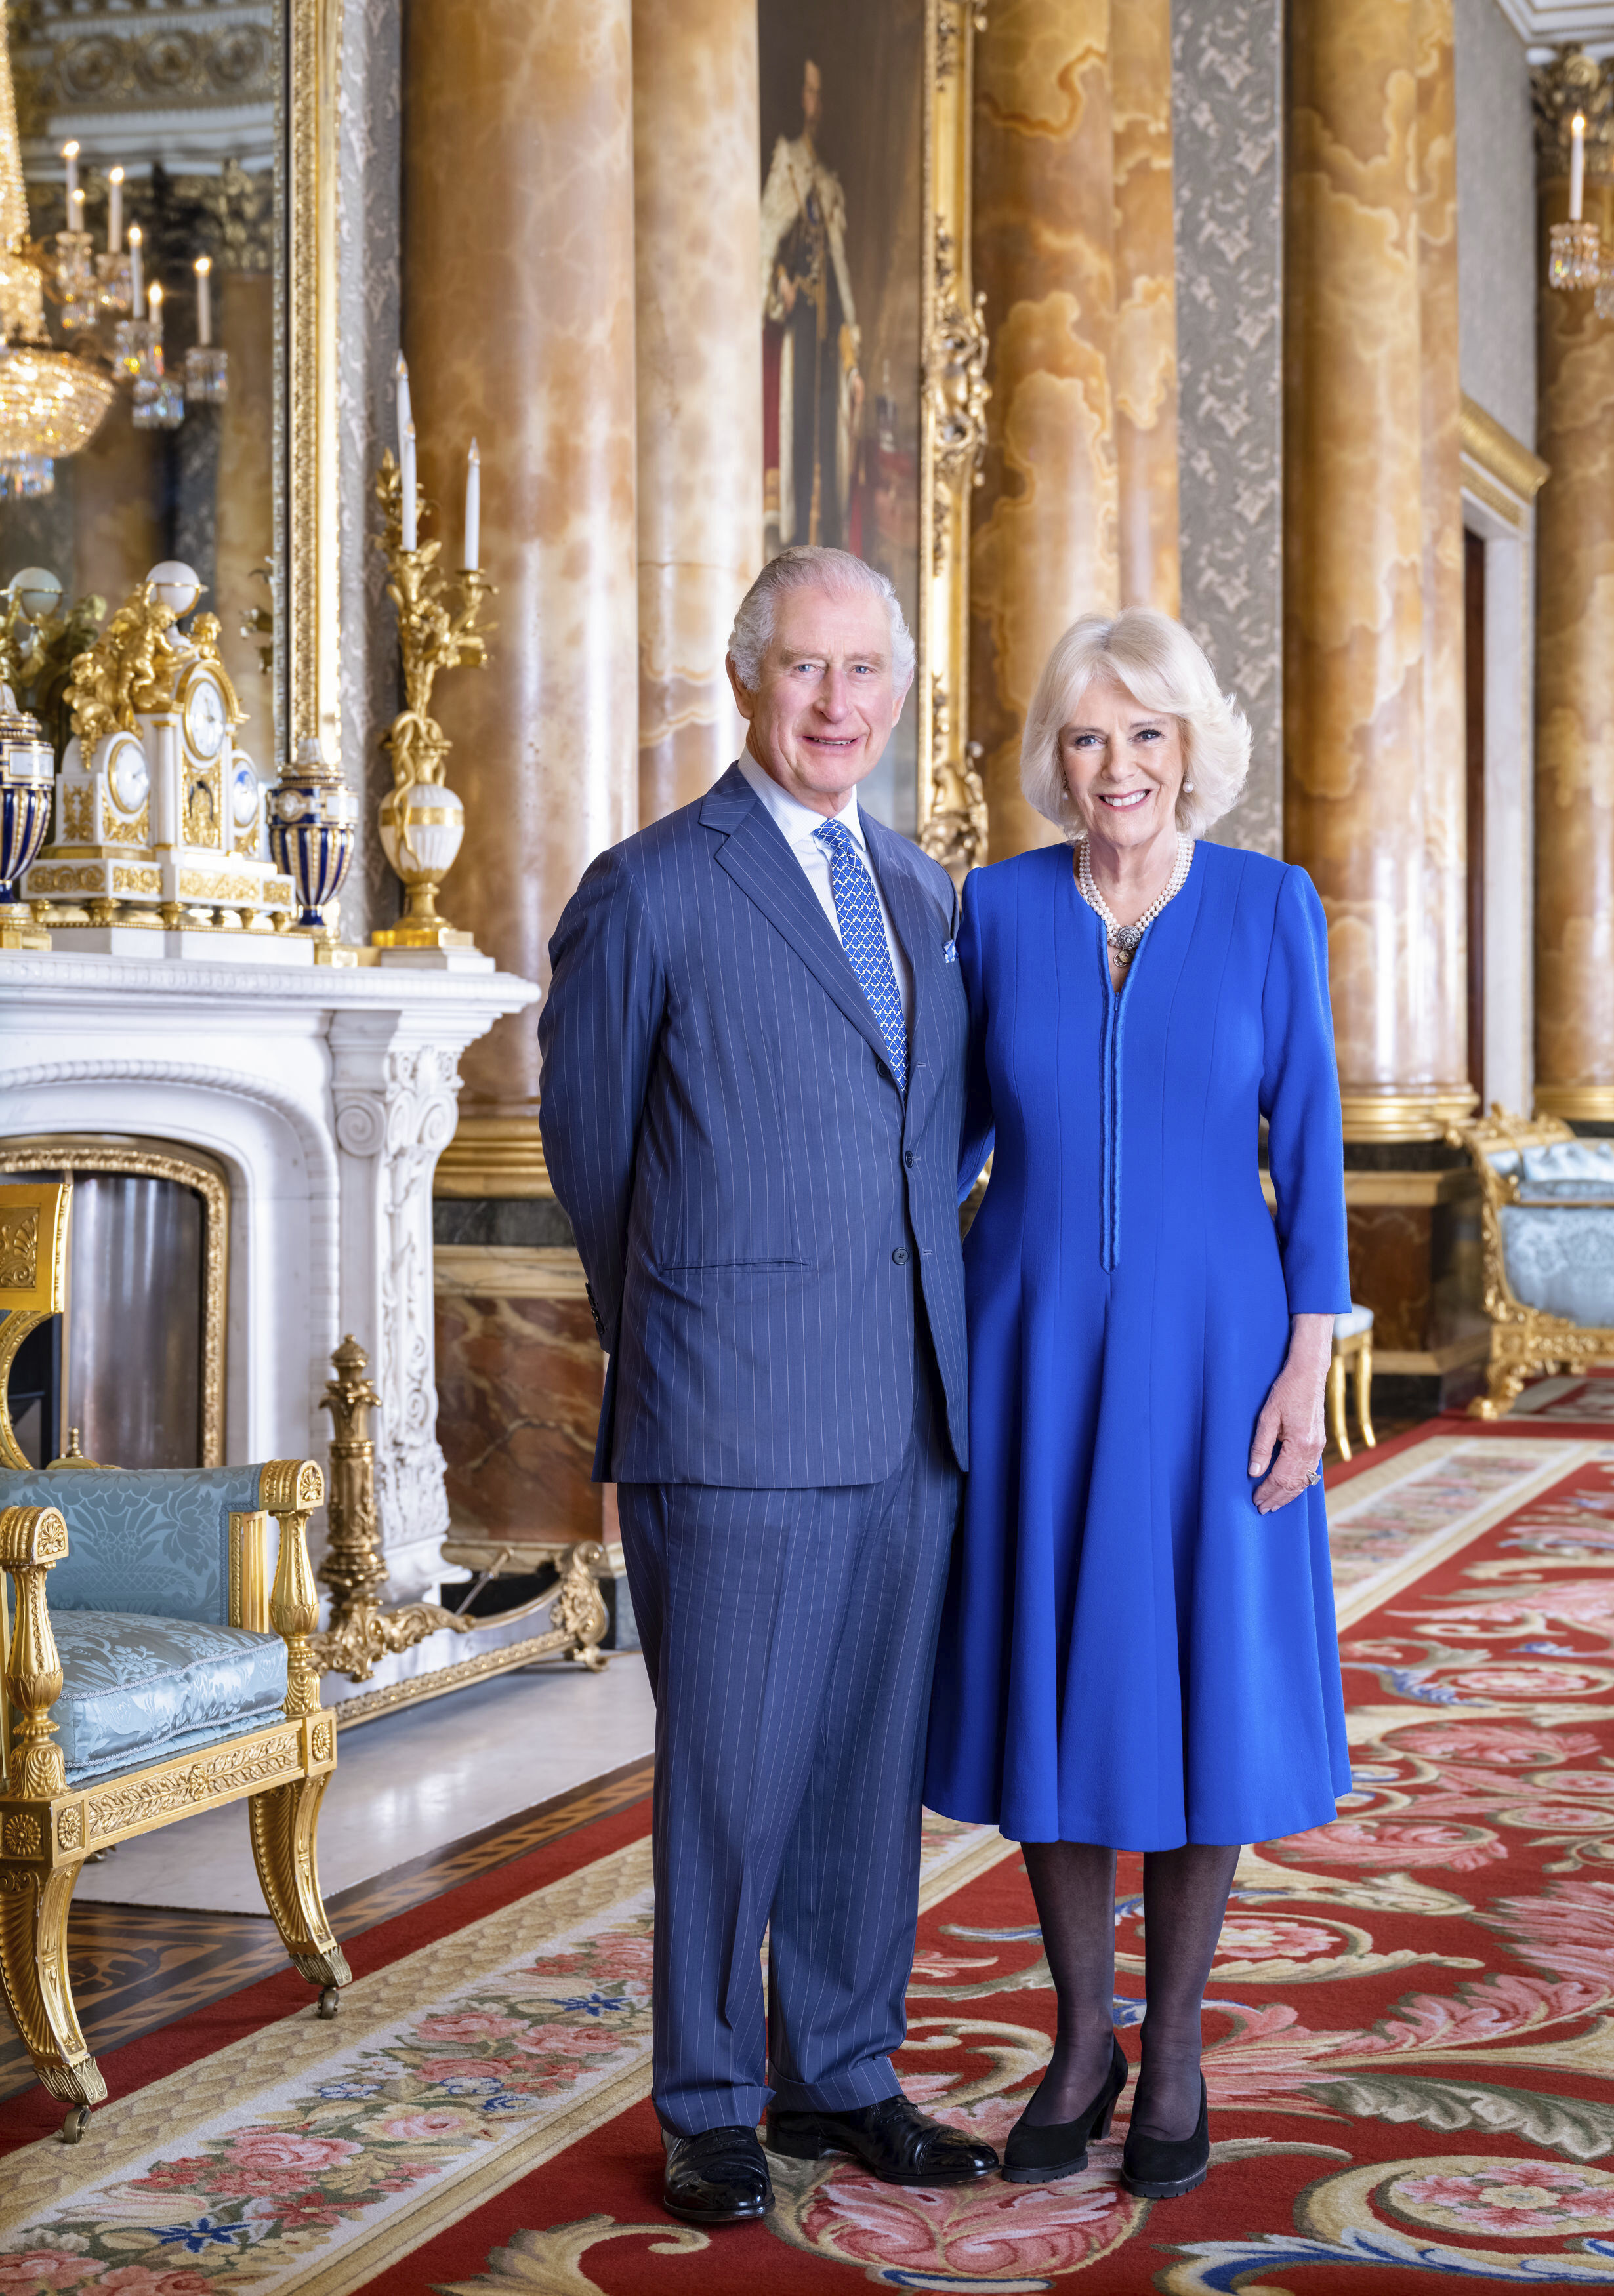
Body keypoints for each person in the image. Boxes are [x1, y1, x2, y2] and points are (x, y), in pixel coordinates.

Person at [539, 546, 996, 2227]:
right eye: (805, 668)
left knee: (871, 1767)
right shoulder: (650, 887)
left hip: (911, 1415)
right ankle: (714, 2100)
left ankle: (846, 2071)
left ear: (895, 688)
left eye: (865, 671)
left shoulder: (925, 892)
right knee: (727, 1777)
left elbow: (937, 1139)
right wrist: (692, 1336)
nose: (835, 703)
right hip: (729, 1412)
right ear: (746, 678)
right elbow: (594, 1165)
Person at [924, 609, 1352, 2203]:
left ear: (1192, 750)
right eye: (1092, 738)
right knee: (1057, 1678)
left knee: (1201, 1685)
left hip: (1221, 1354)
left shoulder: (1266, 907)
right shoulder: (997, 910)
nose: (1122, 768)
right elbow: (944, 1148)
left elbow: (1306, 1151)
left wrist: (1308, 1371)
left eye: (1149, 735)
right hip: (1029, 1344)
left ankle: (1172, 2047)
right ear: (1059, 756)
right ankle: (1080, 2034)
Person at [761, 58, 863, 550]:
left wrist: (852, 363)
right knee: (797, 435)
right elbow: (765, 244)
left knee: (828, 437)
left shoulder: (827, 180)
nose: (815, 104)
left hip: (825, 333)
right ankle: (796, 543)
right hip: (796, 323)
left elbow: (840, 276)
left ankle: (825, 548)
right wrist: (778, 279)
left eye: (820, 94)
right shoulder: (786, 164)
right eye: (808, 92)